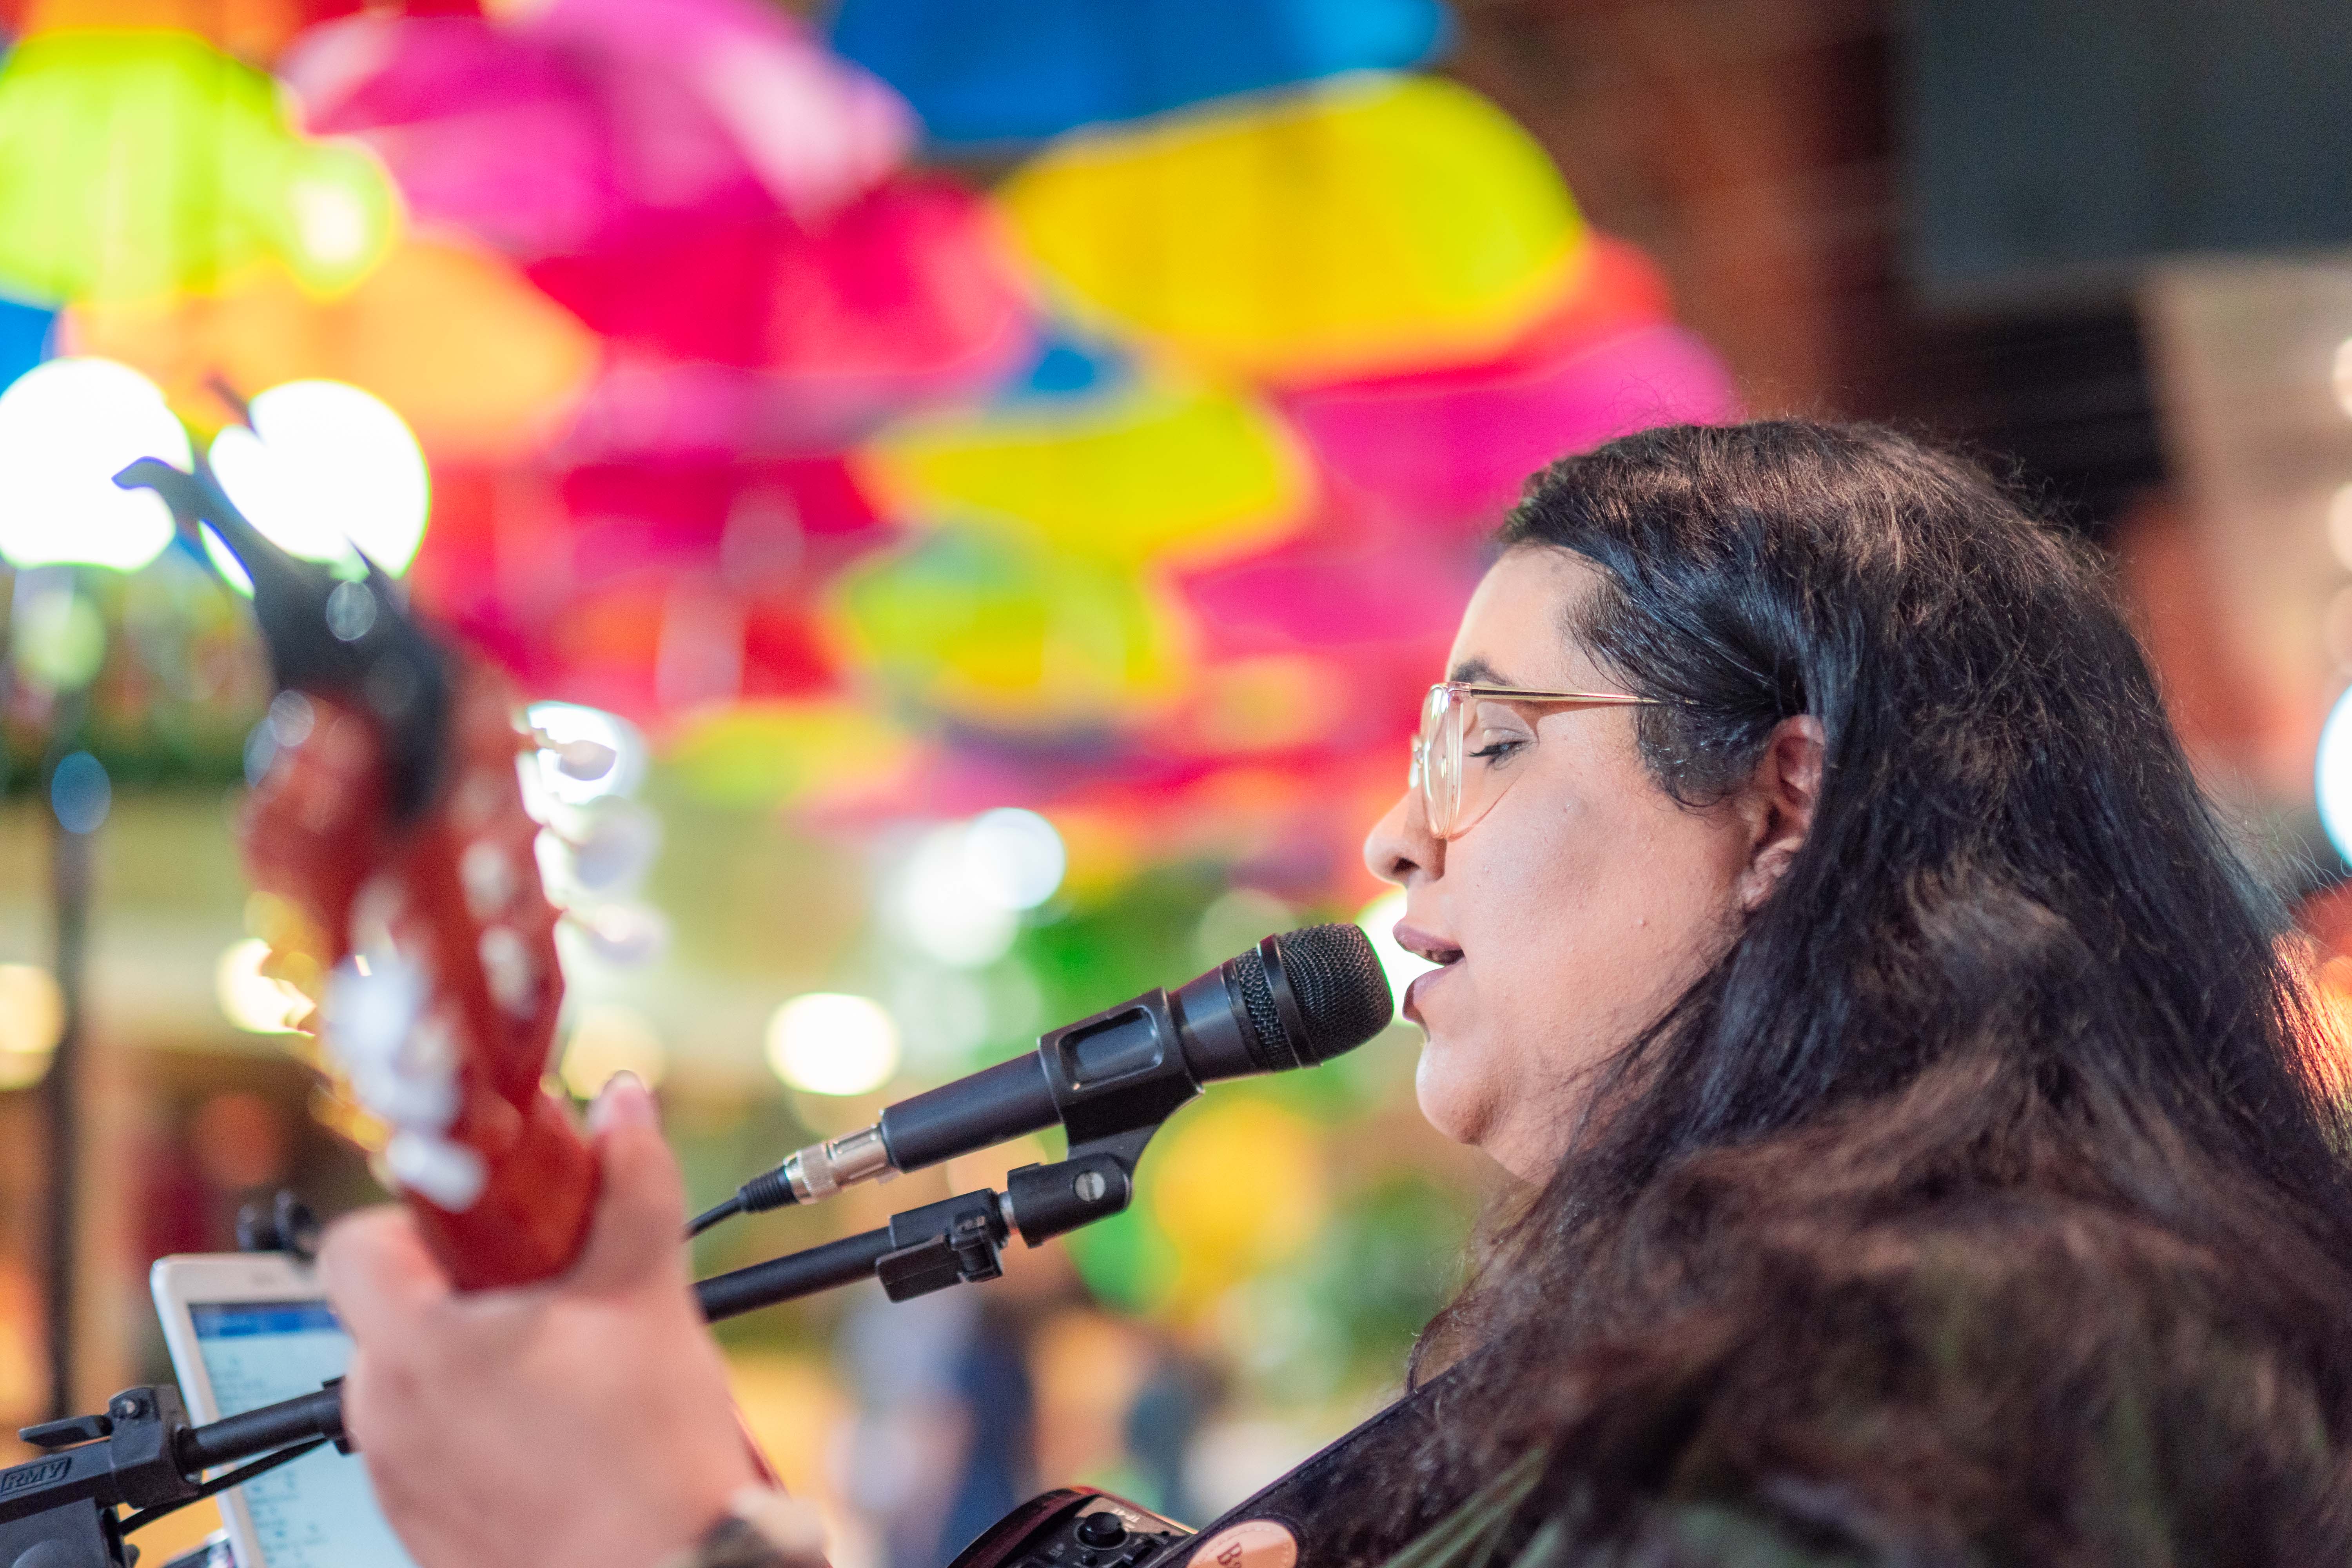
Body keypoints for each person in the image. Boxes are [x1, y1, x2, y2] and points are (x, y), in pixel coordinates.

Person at [318, 421, 2352, 1568]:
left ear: (1784, 798)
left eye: (1486, 743)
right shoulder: (1833, 1315)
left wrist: (682, 1544)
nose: (1396, 845)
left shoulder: (1975, 1351)